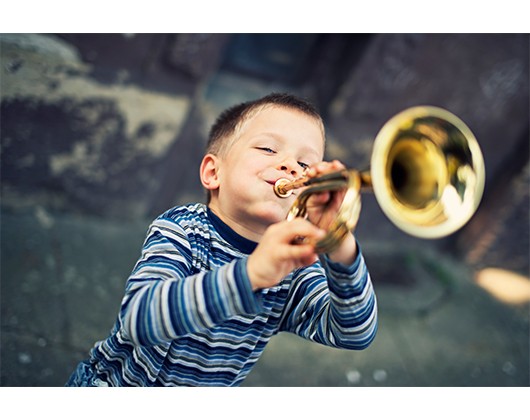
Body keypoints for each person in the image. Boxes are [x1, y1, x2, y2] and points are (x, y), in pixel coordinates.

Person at [65, 92, 378, 386]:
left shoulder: (294, 266)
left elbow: (354, 333)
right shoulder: (183, 229)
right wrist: (251, 275)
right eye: (268, 149)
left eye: (306, 164)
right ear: (213, 173)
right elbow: (137, 319)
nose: (291, 167)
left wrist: (340, 244)